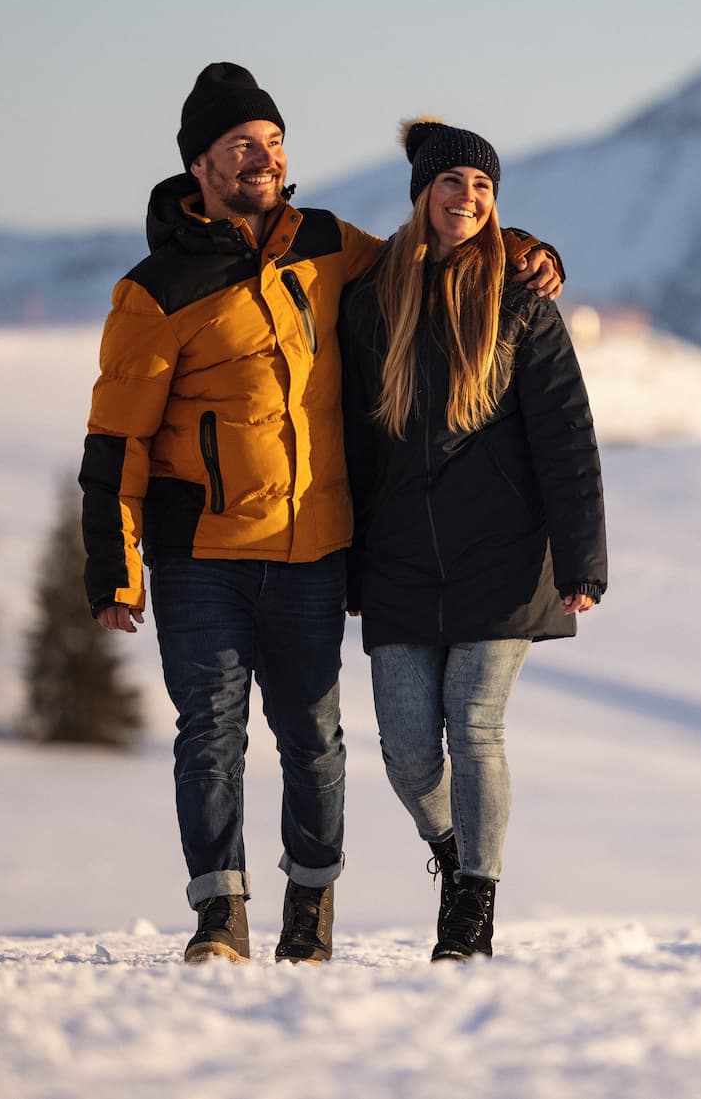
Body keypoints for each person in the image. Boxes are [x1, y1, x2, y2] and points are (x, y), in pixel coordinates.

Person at [79, 66, 561, 965]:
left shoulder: (333, 245)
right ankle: (219, 917)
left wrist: (526, 246)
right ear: (200, 165)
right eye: (239, 146)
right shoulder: (154, 291)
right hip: (201, 554)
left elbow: (440, 247)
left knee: (314, 739)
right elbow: (116, 439)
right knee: (210, 735)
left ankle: (311, 909)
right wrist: (115, 565)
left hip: (311, 548)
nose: (262, 158)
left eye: (271, 140)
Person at [341, 118, 607, 961]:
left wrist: (581, 559)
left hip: (503, 557)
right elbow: (349, 437)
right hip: (399, 562)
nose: (467, 198)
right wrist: (343, 562)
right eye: (453, 183)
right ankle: (456, 855)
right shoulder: (369, 299)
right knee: (409, 749)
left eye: (483, 188)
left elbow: (567, 433)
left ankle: (472, 911)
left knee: (475, 725)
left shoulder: (522, 301)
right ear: (422, 192)